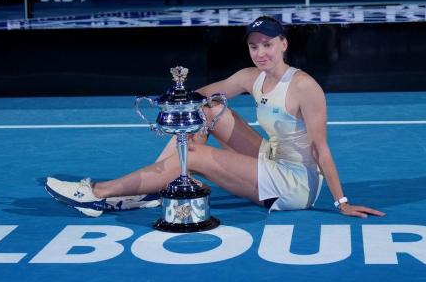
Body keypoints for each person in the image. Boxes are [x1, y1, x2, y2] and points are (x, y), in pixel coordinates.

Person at [45, 15, 385, 219]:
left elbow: (321, 149)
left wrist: (342, 202)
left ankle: (96, 194)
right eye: (254, 46)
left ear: (283, 44)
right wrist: (176, 101)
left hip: (295, 184)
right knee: (210, 110)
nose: (260, 52)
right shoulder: (251, 76)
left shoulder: (304, 87)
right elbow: (202, 97)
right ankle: (158, 185)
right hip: (271, 156)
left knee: (193, 154)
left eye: (267, 44)